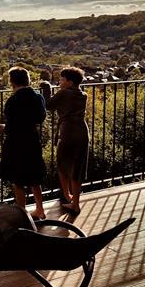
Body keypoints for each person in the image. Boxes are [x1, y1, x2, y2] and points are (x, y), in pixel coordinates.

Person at [0, 67, 47, 220]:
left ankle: (22, 214)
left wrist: (4, 127)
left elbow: (12, 125)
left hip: (16, 142)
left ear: (12, 82)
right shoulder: (38, 97)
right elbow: (40, 118)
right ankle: (40, 209)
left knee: (17, 179)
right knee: (34, 176)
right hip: (32, 139)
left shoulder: (12, 101)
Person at [40, 67, 89, 215]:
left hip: (68, 131)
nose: (59, 82)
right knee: (78, 167)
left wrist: (46, 88)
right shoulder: (83, 94)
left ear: (69, 82)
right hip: (82, 130)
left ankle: (67, 196)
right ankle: (75, 203)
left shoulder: (64, 93)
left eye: (62, 79)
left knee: (62, 163)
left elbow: (48, 105)